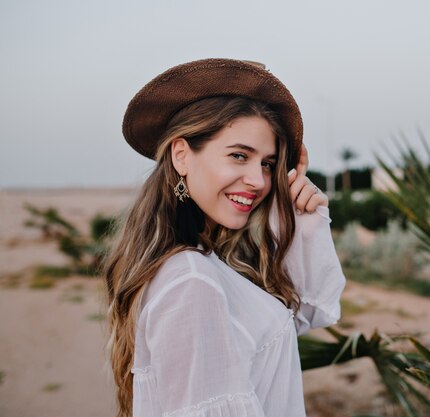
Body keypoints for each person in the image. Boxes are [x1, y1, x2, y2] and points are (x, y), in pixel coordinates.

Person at [104, 58, 345, 417]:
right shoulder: (192, 281)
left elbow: (307, 311)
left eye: (267, 163)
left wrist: (299, 217)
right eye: (238, 156)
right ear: (182, 155)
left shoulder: (201, 265)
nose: (259, 180)